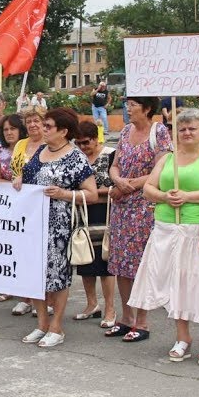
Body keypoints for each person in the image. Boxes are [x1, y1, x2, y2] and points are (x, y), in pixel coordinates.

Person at [128, 108, 199, 365]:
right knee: (175, 283)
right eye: (182, 129)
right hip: (167, 229)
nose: (187, 133)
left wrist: (187, 196)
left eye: (192, 128)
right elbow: (148, 188)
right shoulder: (168, 159)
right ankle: (182, 337)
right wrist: (164, 196)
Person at [14, 108, 97, 348]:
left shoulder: (75, 157)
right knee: (35, 274)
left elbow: (91, 194)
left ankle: (56, 326)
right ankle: (41, 323)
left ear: (63, 131)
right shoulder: (40, 151)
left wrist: (64, 194)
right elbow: (29, 179)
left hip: (59, 226)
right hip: (33, 223)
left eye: (49, 126)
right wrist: (19, 179)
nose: (44, 129)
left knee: (58, 276)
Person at [105, 96, 172, 341]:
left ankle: (142, 321)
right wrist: (118, 180)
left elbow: (161, 168)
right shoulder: (124, 131)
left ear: (146, 109)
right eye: (127, 104)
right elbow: (114, 165)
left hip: (145, 206)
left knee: (140, 265)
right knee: (120, 263)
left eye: (133, 105)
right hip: (122, 207)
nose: (128, 109)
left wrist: (130, 185)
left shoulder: (160, 132)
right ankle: (126, 317)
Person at [73, 120, 117, 326]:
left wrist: (92, 193)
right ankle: (92, 304)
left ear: (96, 138)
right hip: (82, 213)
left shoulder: (111, 155)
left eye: (86, 142)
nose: (82, 147)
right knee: (85, 260)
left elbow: (116, 187)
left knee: (105, 262)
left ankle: (110, 309)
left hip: (105, 213)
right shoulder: (77, 158)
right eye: (79, 143)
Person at [8, 108, 48, 315]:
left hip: (44, 207)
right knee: (23, 253)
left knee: (42, 254)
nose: (33, 125)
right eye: (29, 121)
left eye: (37, 121)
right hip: (22, 205)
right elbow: (14, 170)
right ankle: (26, 297)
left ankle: (45, 299)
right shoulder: (21, 145)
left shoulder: (50, 145)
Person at [0, 113, 28, 305]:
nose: (9, 132)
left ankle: (27, 292)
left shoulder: (31, 150)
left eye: (13, 128)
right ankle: (7, 286)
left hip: (28, 207)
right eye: (5, 129)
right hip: (6, 206)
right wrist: (14, 184)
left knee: (26, 249)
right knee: (6, 247)